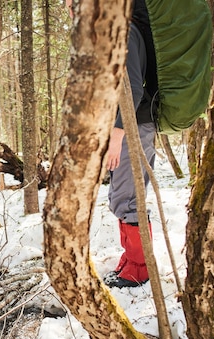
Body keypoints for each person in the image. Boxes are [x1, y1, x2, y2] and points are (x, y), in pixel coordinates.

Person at [66, 0, 157, 288]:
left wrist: (117, 135)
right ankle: (132, 260)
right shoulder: (109, 32)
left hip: (133, 126)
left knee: (129, 198)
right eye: (68, 5)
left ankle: (140, 270)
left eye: (76, 4)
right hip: (125, 126)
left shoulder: (124, 31)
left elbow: (131, 85)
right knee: (122, 195)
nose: (71, 10)